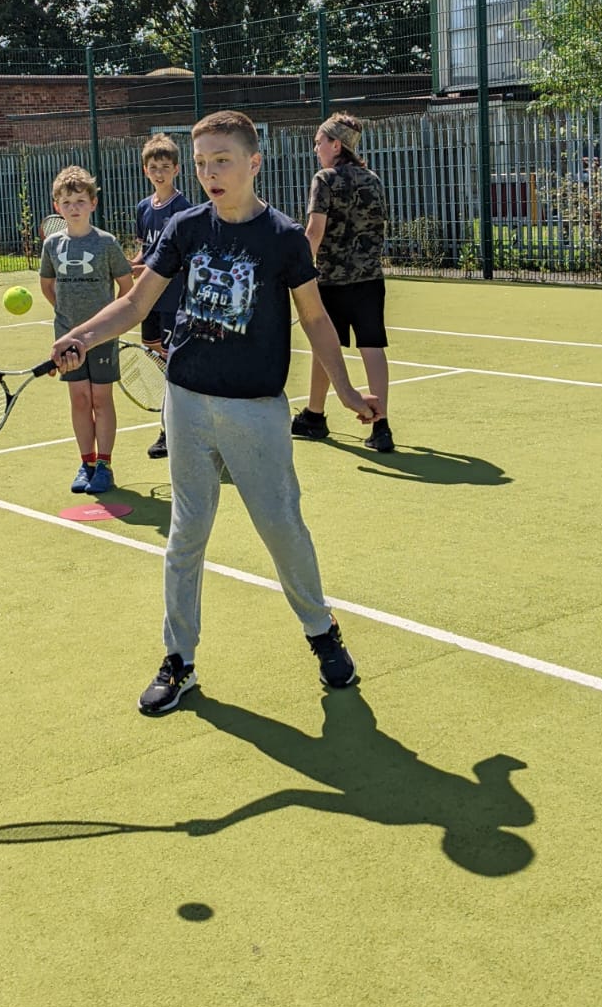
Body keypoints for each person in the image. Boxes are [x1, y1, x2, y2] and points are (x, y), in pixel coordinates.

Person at [51, 110, 378, 716]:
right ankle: (179, 660)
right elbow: (136, 302)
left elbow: (314, 319)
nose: (209, 174)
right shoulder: (183, 227)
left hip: (255, 412)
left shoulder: (282, 238)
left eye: (221, 161)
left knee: (283, 530)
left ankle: (321, 632)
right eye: (201, 164)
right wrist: (83, 334)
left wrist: (349, 391)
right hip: (187, 404)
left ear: (255, 162)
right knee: (186, 537)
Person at [291, 113, 394, 453]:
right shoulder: (373, 179)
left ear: (336, 145)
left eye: (320, 141)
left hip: (332, 279)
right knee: (372, 345)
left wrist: (298, 270)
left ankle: (316, 416)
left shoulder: (325, 178)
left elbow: (314, 231)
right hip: (369, 278)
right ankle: (381, 425)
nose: (316, 147)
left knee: (326, 345)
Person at [39, 166, 133, 495]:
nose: (74, 207)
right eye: (67, 202)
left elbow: (126, 287)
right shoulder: (52, 245)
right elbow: (47, 286)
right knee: (80, 400)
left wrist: (106, 324)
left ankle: (105, 464)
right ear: (57, 207)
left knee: (100, 399)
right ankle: (87, 463)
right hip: (66, 337)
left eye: (80, 200)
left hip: (103, 339)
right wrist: (67, 323)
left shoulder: (106, 243)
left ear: (93, 203)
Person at [133, 133, 192, 459]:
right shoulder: (144, 207)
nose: (159, 173)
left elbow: (183, 258)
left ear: (176, 170)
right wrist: (133, 267)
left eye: (165, 167)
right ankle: (175, 422)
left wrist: (153, 270)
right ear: (145, 170)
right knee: (156, 356)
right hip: (149, 301)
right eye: (153, 167)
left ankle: (170, 432)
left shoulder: (184, 210)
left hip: (173, 300)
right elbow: (145, 250)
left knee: (173, 365)